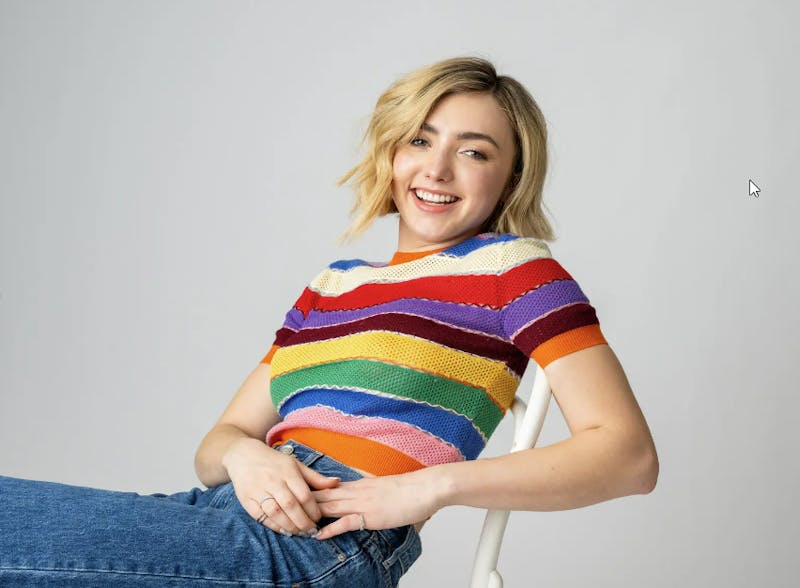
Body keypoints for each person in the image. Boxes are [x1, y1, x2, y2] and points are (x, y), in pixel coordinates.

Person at [0, 56, 658, 587]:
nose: (435, 168)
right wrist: (247, 457)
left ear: (511, 172)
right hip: (226, 512)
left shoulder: (513, 267)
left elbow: (627, 455)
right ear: (391, 152)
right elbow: (216, 447)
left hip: (322, 546)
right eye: (420, 140)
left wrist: (427, 490)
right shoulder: (332, 285)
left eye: (474, 151)